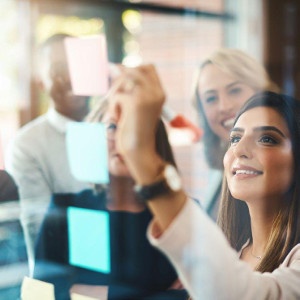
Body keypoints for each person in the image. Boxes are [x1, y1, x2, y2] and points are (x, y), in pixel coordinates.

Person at [108, 65, 300, 299]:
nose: (239, 149)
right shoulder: (231, 250)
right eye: (235, 138)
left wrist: (143, 157)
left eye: (267, 138)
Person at [33, 98, 187, 300]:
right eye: (113, 127)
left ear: (155, 140)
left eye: (136, 127)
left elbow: (197, 293)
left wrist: (89, 293)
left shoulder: (180, 213)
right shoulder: (67, 209)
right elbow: (44, 293)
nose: (123, 138)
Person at [5, 33, 91, 274]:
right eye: (57, 70)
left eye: (77, 65)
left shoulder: (115, 130)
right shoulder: (26, 145)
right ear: (41, 82)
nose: (70, 76)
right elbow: (41, 235)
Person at [193, 48, 280, 218]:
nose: (224, 106)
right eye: (211, 98)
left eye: (235, 90)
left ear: (262, 92)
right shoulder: (222, 169)